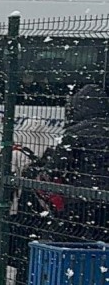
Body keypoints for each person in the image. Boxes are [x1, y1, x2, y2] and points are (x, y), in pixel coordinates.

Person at [45, 83, 109, 241]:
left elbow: (55, 168)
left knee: (74, 241)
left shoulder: (74, 133)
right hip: (106, 200)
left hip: (80, 199)